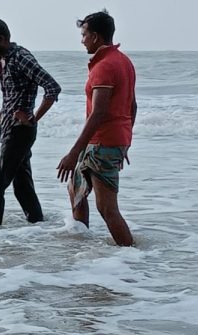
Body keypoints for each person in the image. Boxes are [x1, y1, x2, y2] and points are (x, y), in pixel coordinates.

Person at [57, 10, 136, 246]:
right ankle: (82, 247)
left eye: (84, 34)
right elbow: (132, 105)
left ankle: (132, 257)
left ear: (96, 37)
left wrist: (73, 153)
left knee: (106, 208)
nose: (82, 40)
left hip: (102, 142)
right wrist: (125, 143)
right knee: (76, 189)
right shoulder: (124, 61)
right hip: (108, 142)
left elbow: (98, 113)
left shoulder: (104, 66)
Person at [0, 18, 61, 225]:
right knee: (22, 187)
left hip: (21, 131)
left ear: (2, 39)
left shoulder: (21, 58)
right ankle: (38, 228)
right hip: (8, 129)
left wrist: (33, 118)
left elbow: (52, 87)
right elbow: (9, 101)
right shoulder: (1, 60)